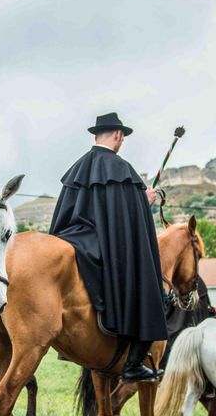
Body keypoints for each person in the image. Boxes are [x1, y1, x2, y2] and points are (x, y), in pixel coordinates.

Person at [49, 113, 167, 382]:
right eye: (122, 137)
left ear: (96, 136)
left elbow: (66, 214)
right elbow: (127, 226)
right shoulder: (120, 169)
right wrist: (143, 200)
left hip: (72, 240)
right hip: (104, 245)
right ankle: (134, 362)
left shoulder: (78, 167)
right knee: (146, 283)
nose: (121, 141)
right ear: (118, 135)